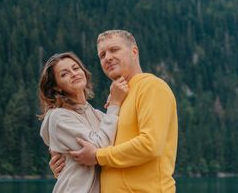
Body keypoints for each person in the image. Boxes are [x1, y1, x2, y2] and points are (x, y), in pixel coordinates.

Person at [52, 30, 178, 192]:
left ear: (134, 52)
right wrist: (67, 162)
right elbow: (99, 146)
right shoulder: (117, 100)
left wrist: (97, 156)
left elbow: (150, 145)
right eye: (102, 55)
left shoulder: (152, 87)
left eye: (114, 50)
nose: (108, 57)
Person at [38, 51, 129, 193]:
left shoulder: (98, 115)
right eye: (64, 74)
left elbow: (118, 147)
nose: (74, 74)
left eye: (76, 68)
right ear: (56, 86)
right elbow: (99, 147)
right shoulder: (59, 117)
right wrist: (115, 104)